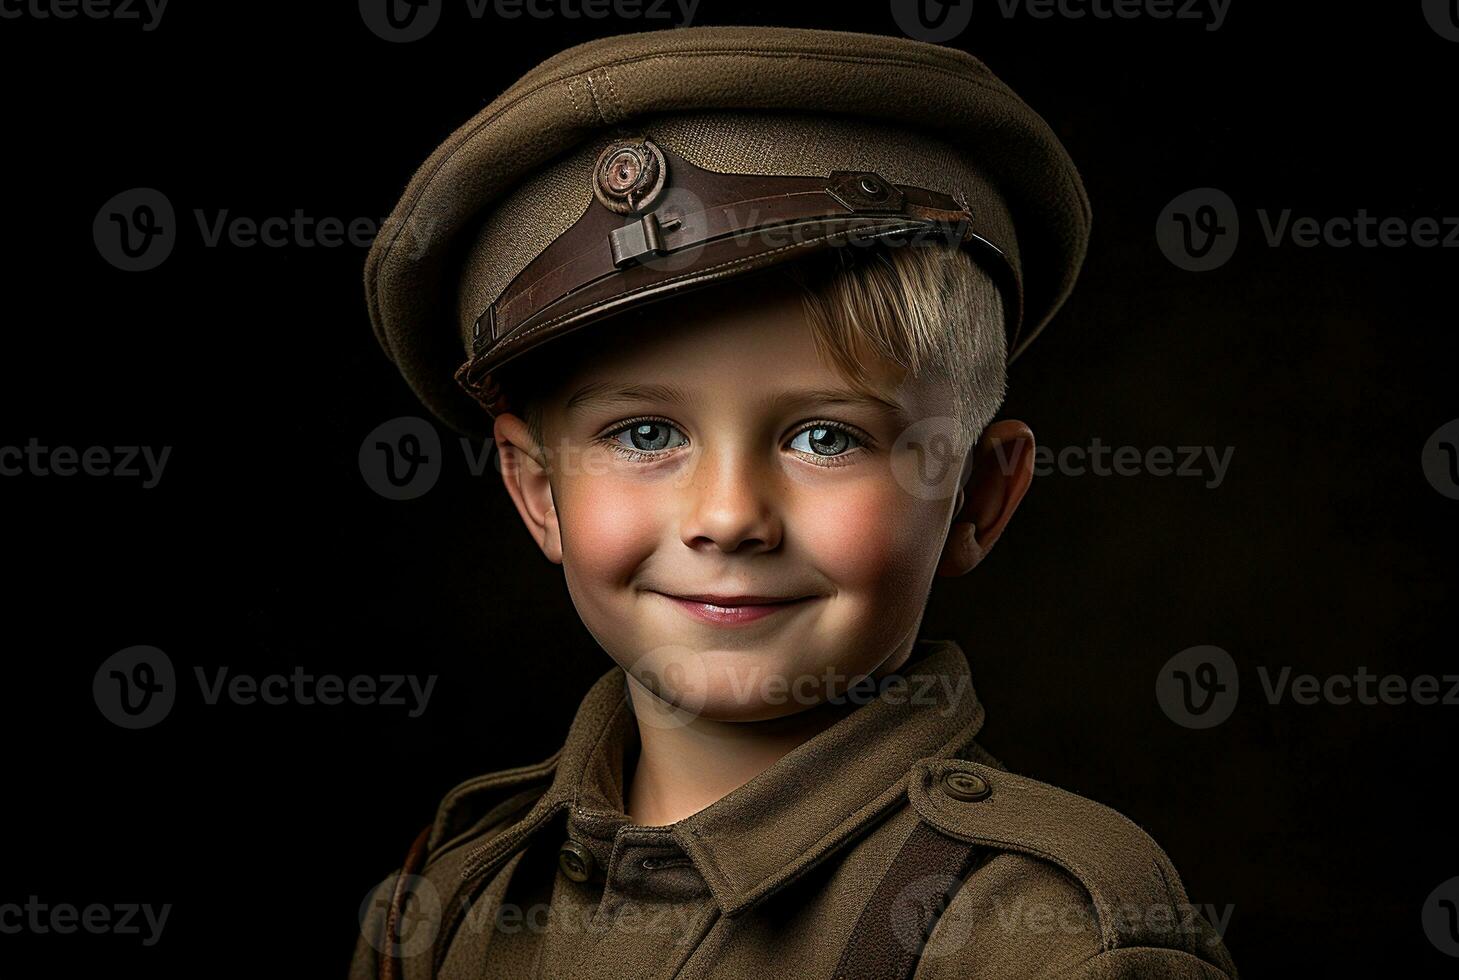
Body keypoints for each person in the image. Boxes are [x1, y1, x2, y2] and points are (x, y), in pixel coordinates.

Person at [351, 24, 1239, 980]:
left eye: (828, 438)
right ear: (537, 492)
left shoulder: (1042, 939)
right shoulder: (456, 895)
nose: (729, 516)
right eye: (646, 434)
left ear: (979, 496)